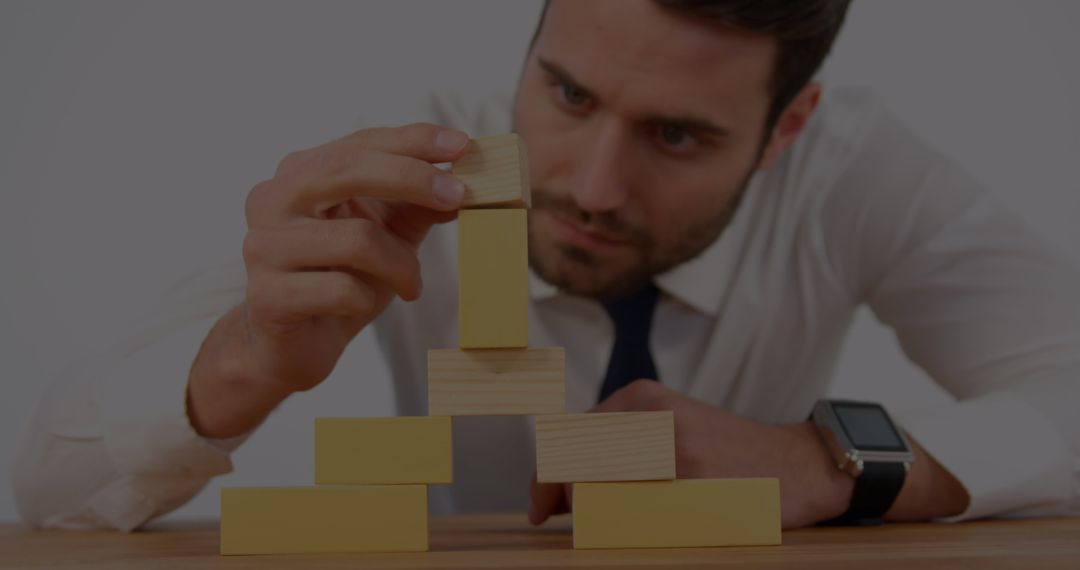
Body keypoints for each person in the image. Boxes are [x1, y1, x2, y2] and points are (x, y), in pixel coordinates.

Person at [14, 0, 1080, 532]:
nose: (594, 187)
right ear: (531, 48)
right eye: (568, 94)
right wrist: (242, 360)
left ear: (788, 125)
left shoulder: (857, 172)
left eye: (676, 135)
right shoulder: (400, 157)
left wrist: (822, 461)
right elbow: (52, 499)